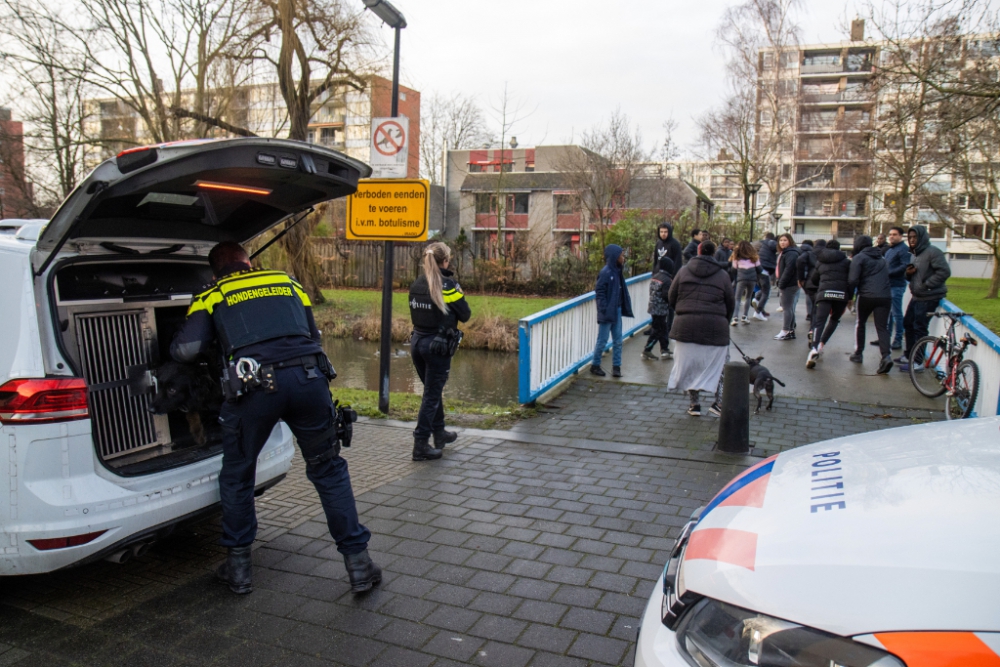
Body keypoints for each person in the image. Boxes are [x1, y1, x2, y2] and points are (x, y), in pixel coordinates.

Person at [171, 242, 378, 596]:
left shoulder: (213, 292)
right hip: (310, 381)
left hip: (254, 389)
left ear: (215, 272)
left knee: (238, 476)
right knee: (328, 470)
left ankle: (239, 570)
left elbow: (184, 350)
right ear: (249, 263)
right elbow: (312, 335)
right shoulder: (288, 282)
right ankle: (359, 565)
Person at [408, 242, 472, 461]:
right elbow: (465, 315)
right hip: (437, 347)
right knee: (431, 396)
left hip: (417, 343)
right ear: (446, 261)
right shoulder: (449, 286)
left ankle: (440, 433)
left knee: (431, 392)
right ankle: (420, 445)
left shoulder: (417, 283)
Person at [667, 241, 735, 417]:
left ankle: (694, 404)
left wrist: (683, 313)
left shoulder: (683, 271)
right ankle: (718, 402)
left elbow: (671, 297)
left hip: (685, 326)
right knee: (720, 365)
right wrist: (723, 320)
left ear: (697, 251)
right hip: (715, 327)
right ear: (714, 254)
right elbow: (730, 303)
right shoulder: (722, 275)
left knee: (690, 365)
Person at [899, 225, 951, 372]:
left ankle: (917, 362)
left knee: (919, 328)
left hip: (929, 297)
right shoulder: (915, 254)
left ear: (922, 237)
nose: (912, 240)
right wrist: (908, 273)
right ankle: (909, 355)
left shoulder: (933, 252)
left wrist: (927, 285)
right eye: (910, 237)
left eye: (915, 237)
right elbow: (910, 276)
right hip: (917, 296)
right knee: (907, 323)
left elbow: (944, 272)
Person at [849, 235, 894, 374]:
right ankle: (886, 356)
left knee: (860, 323)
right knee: (882, 327)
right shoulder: (882, 259)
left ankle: (858, 353)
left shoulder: (859, 258)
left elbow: (852, 280)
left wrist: (850, 296)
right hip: (885, 296)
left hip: (866, 295)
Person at [805, 239, 851, 369]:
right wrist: (849, 295)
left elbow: (814, 279)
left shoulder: (820, 261)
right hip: (841, 295)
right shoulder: (847, 262)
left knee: (819, 322)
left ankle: (813, 348)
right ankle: (821, 344)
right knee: (834, 319)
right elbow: (851, 279)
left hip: (824, 294)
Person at [591, 244, 634, 378]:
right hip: (608, 311)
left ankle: (616, 367)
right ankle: (595, 365)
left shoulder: (617, 272)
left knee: (618, 340)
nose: (623, 257)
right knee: (603, 340)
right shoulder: (606, 273)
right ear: (614, 257)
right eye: (621, 255)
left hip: (617, 309)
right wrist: (603, 308)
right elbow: (600, 292)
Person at [881, 227, 909, 351]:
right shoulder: (890, 250)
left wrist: (889, 273)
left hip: (897, 285)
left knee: (897, 313)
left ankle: (898, 339)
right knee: (888, 314)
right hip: (888, 285)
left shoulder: (903, 250)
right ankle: (886, 338)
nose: (891, 236)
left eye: (895, 234)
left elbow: (905, 266)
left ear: (901, 236)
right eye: (890, 234)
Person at [643, 256, 675, 360]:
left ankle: (664, 349)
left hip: (653, 307)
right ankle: (647, 350)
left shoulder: (655, 276)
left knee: (663, 328)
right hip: (660, 309)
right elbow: (666, 295)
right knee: (657, 330)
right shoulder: (667, 280)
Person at [774, 234, 800, 340]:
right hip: (789, 283)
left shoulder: (791, 253)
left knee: (786, 308)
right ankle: (790, 330)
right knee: (789, 308)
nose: (782, 242)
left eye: (785, 240)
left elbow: (789, 270)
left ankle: (785, 330)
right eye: (780, 240)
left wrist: (782, 283)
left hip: (788, 284)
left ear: (790, 241)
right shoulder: (786, 252)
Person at [731, 241, 762, 326]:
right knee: (748, 297)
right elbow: (759, 269)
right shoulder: (754, 257)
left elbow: (733, 270)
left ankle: (735, 317)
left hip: (741, 279)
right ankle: (745, 316)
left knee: (737, 298)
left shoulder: (736, 257)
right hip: (752, 279)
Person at [753, 232, 778, 320]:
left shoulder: (761, 244)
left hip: (758, 268)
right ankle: (758, 312)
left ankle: (756, 299)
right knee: (766, 292)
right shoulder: (772, 243)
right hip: (765, 269)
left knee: (763, 289)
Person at [796, 240, 817, 323]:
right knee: (810, 294)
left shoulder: (797, 250)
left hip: (798, 274)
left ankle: (809, 313)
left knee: (807, 294)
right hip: (809, 275)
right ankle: (811, 313)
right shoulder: (811, 252)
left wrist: (799, 278)